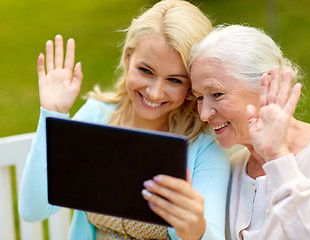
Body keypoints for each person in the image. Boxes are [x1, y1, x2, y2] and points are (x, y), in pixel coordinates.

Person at [18, 1, 230, 240]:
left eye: (175, 80)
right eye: (146, 71)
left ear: (192, 85)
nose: (155, 92)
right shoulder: (97, 117)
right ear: (129, 58)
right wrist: (52, 113)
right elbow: (33, 209)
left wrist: (195, 229)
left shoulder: (204, 149)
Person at [189, 24, 310, 239]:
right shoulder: (231, 168)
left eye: (217, 93)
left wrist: (278, 157)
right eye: (199, 97)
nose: (204, 114)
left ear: (268, 84)